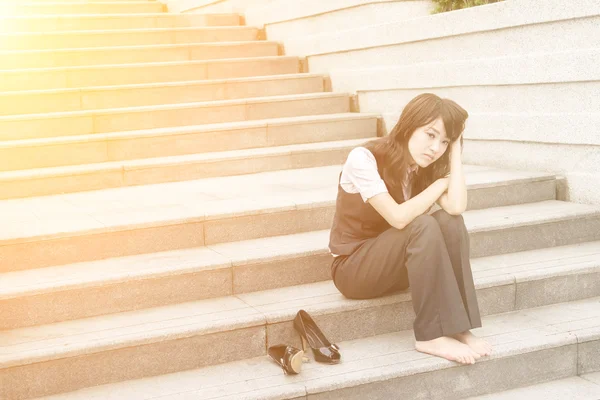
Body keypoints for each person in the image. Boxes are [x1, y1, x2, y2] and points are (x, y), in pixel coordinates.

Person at [329, 93, 492, 365]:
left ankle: (458, 327)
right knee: (422, 224)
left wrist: (455, 152)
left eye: (444, 141)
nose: (435, 148)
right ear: (409, 125)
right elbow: (398, 218)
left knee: (449, 223)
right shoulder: (364, 158)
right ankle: (429, 335)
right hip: (354, 270)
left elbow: (455, 208)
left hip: (397, 267)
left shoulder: (425, 166)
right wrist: (440, 184)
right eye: (430, 135)